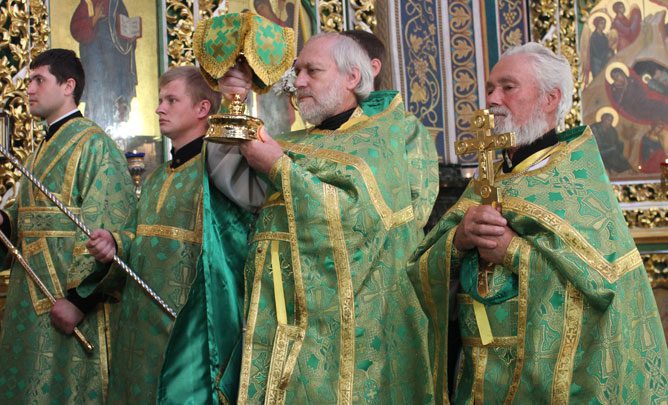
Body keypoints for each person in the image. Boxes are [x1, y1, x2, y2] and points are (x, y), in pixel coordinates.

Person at [408, 42, 668, 403]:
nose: (492, 99)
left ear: (550, 98)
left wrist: (514, 252)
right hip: (478, 378)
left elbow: (600, 288)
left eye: (508, 87)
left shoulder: (575, 179)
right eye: (490, 88)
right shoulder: (488, 178)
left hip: (544, 380)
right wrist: (460, 238)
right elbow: (422, 269)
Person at [218, 32, 440, 403]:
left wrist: (279, 168)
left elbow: (365, 219)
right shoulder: (294, 142)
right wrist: (232, 104)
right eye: (297, 71)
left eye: (313, 71)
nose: (299, 81)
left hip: (355, 322)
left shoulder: (386, 136)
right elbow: (233, 193)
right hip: (281, 316)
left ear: (353, 77)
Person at [0, 48, 137, 403]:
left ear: (68, 86)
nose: (29, 89)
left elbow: (109, 227)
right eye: (29, 81)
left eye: (38, 80)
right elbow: (28, 217)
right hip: (30, 298)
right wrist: (2, 219)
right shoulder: (38, 152)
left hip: (67, 301)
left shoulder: (95, 145)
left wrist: (78, 301)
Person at [86, 66, 257, 404]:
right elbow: (140, 239)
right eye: (160, 100)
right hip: (139, 324)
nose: (159, 108)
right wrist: (115, 243)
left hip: (190, 327)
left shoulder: (219, 173)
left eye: (171, 100)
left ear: (202, 108)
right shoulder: (156, 177)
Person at [70, 0, 138, 131]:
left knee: (115, 86)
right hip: (94, 56)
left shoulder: (116, 3)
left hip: (115, 58)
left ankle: (118, 121)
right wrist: (93, 20)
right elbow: (76, 29)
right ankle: (95, 121)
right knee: (96, 89)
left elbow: (124, 26)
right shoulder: (88, 3)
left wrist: (130, 34)